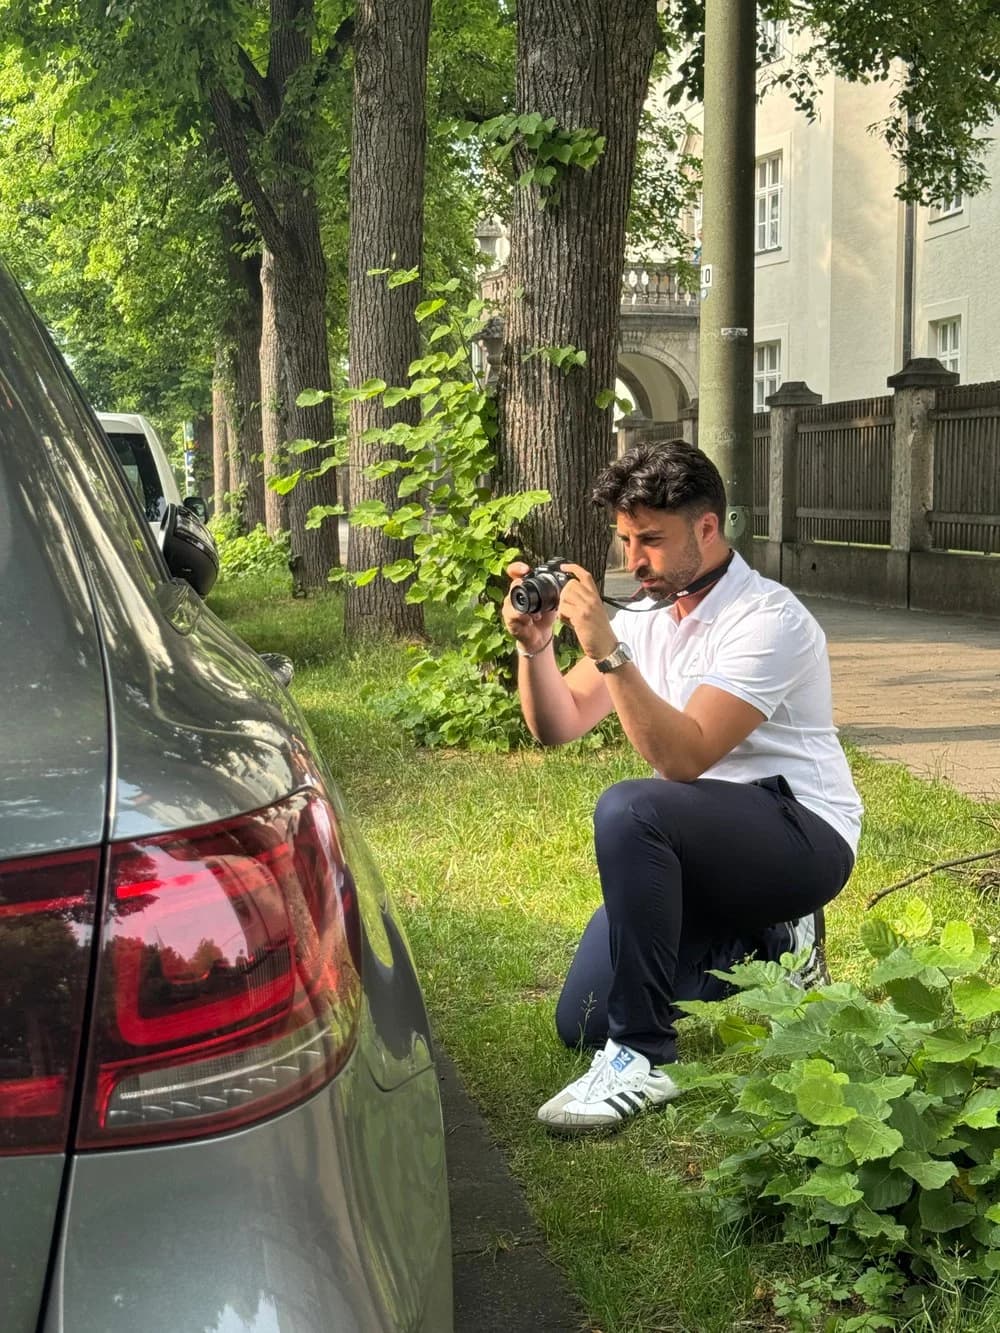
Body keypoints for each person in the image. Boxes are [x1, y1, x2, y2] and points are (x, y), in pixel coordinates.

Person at [502, 441, 862, 1134]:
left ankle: (641, 1054)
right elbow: (560, 722)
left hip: (798, 832)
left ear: (707, 527)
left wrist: (606, 647)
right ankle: (770, 945)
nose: (634, 560)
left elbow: (684, 759)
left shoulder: (769, 620)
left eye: (652, 541)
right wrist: (537, 646)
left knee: (631, 808)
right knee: (578, 1018)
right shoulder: (645, 613)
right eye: (625, 539)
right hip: (700, 843)